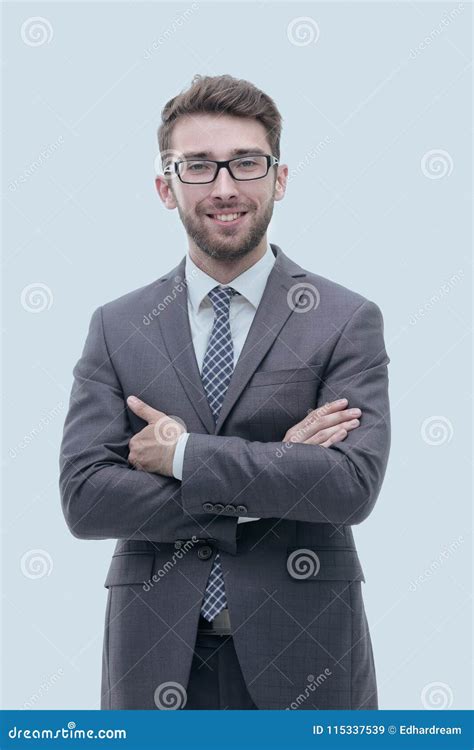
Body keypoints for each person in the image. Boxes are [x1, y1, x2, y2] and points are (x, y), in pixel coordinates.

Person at [59, 73, 391, 710]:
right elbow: (85, 499)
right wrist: (280, 468)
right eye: (199, 167)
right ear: (166, 187)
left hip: (307, 653)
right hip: (152, 653)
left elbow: (350, 487)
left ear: (280, 178)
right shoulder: (117, 326)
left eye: (245, 162)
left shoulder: (344, 318)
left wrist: (185, 457)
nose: (225, 187)